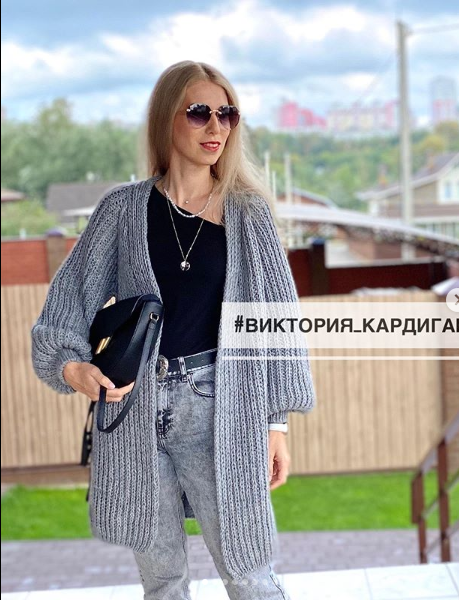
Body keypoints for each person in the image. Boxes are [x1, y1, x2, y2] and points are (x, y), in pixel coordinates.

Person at [31, 60, 316, 600]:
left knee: (249, 573)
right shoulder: (122, 210)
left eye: (227, 115)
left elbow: (275, 326)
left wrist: (276, 424)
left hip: (220, 408)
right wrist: (73, 369)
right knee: (162, 582)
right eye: (200, 113)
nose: (216, 127)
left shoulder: (248, 215)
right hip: (136, 408)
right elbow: (66, 305)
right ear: (167, 118)